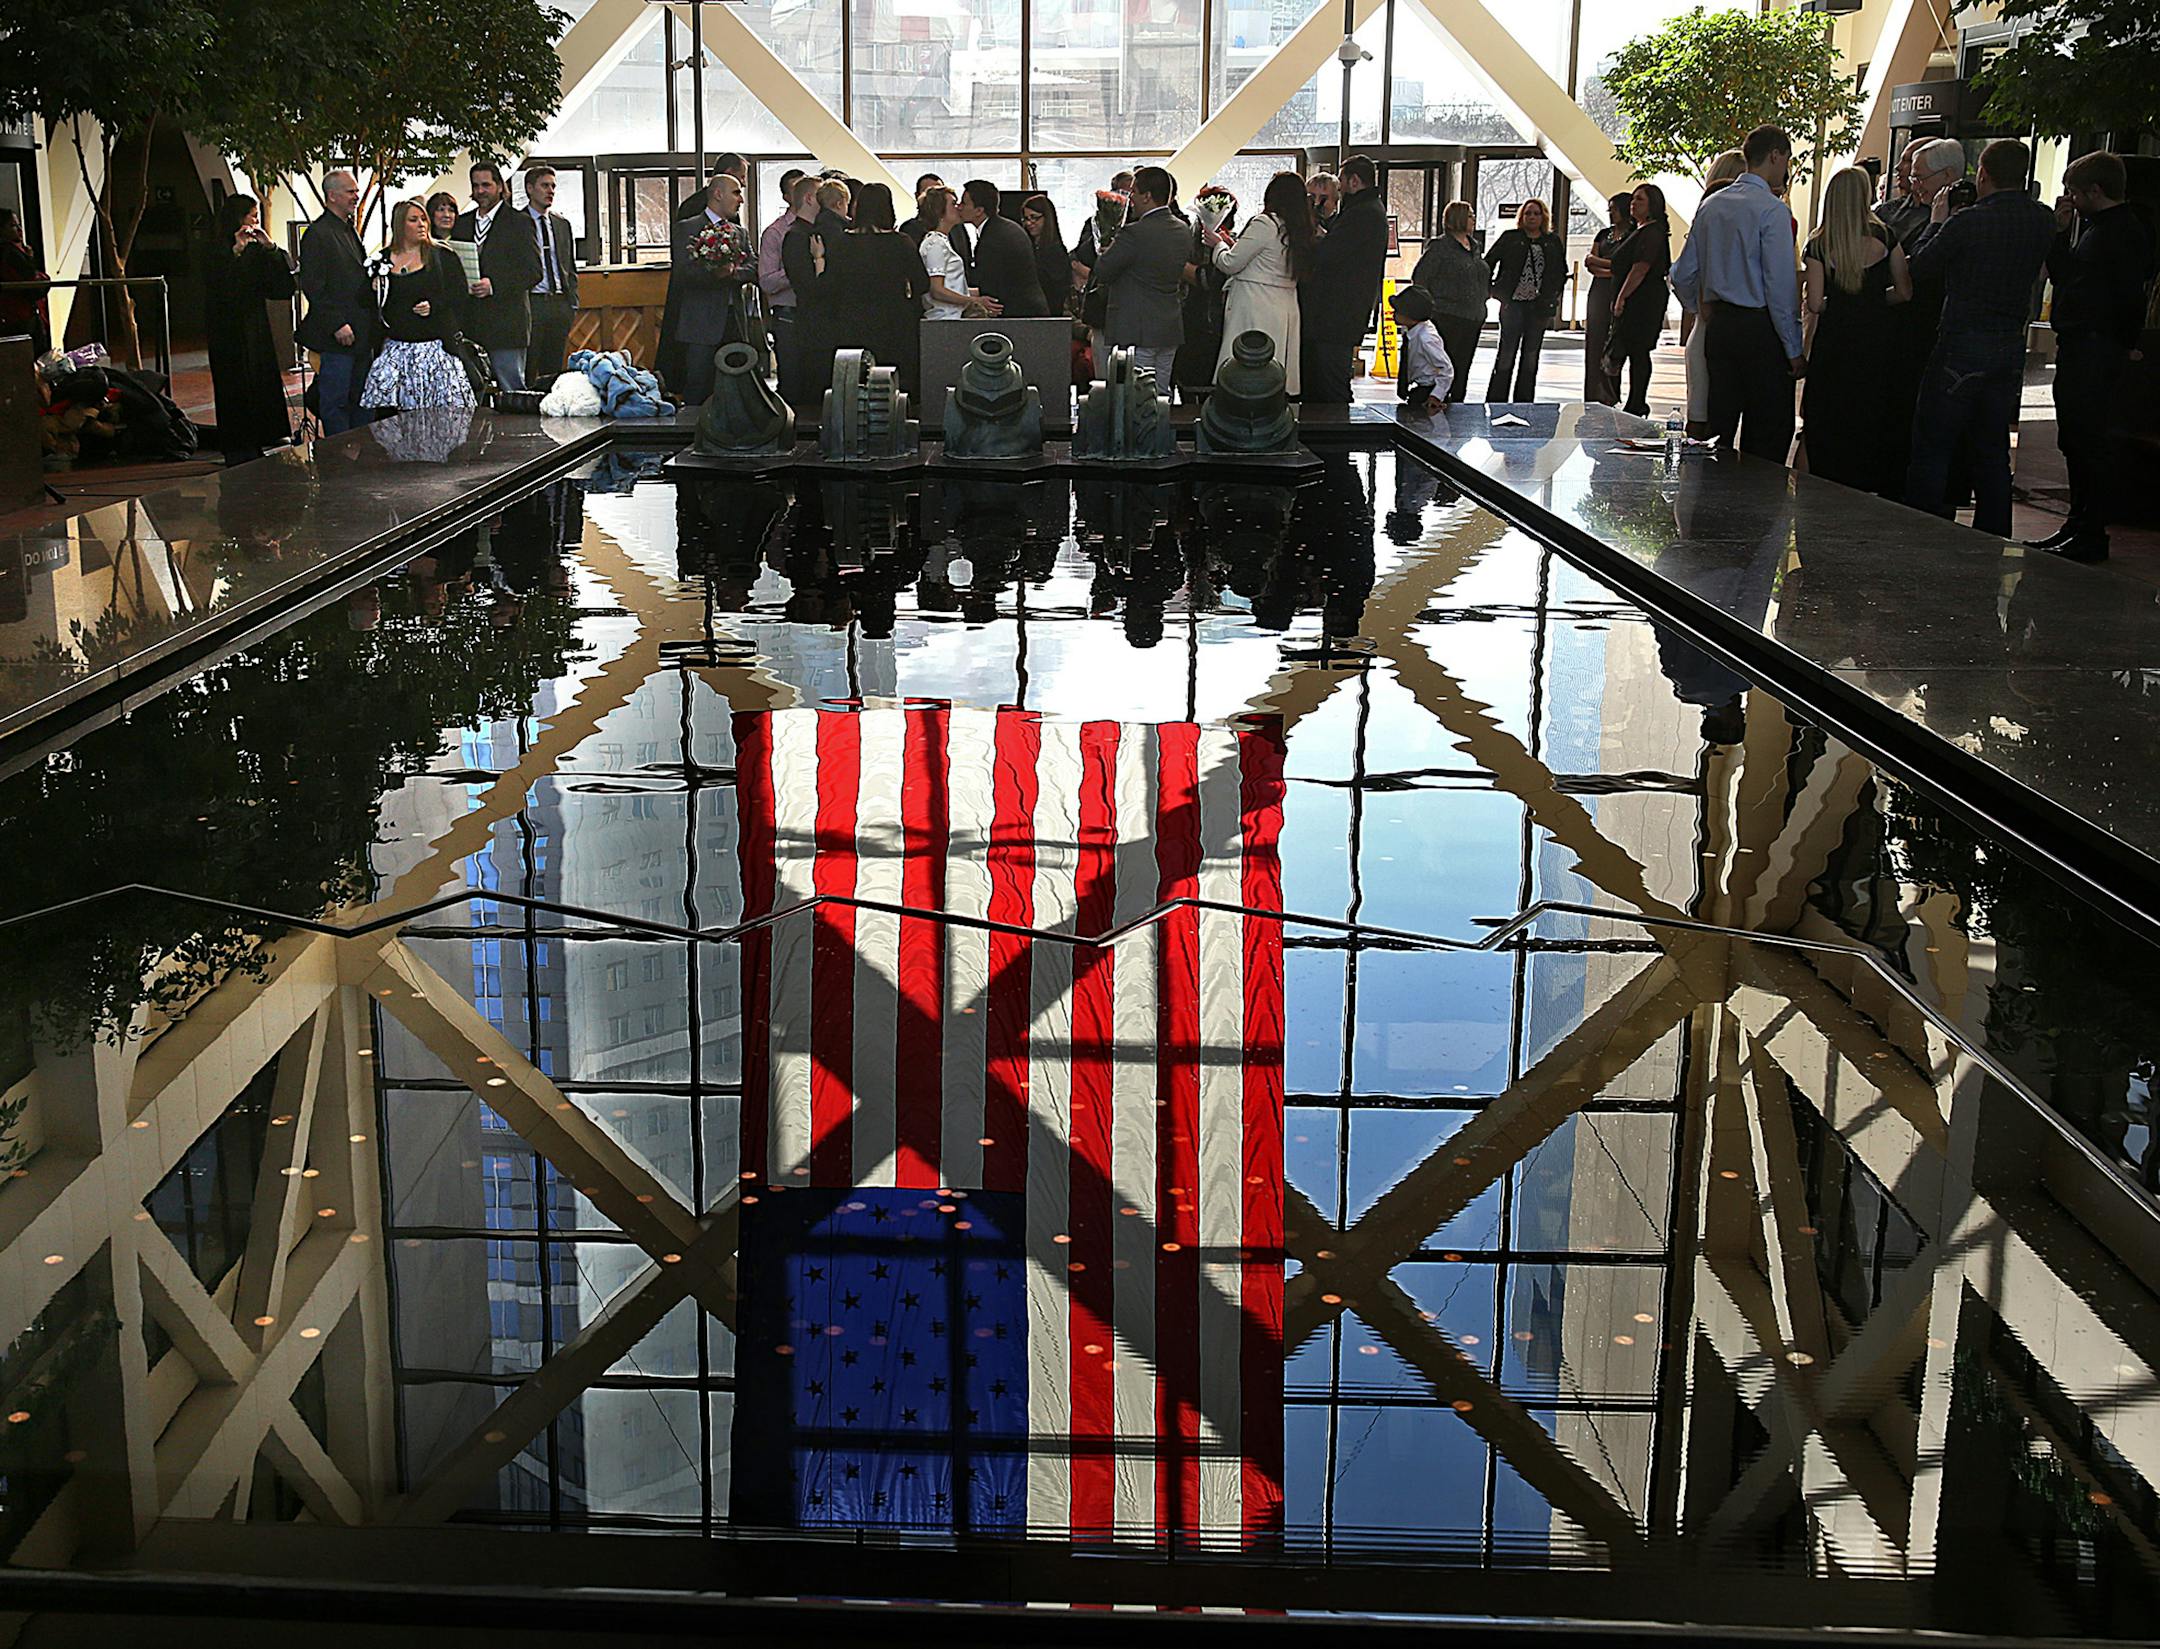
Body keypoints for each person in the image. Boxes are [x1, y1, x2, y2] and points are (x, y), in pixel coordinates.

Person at [1902, 138, 2058, 537]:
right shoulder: (2040, 219)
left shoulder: (1968, 222)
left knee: (1934, 441)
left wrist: (1937, 221)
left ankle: (1922, 528)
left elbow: (1921, 267)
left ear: (1983, 175)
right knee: (1992, 449)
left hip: (1961, 341)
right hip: (2009, 345)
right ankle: (1994, 535)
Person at [2030, 150, 2158, 562]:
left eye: (2074, 192)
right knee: (2075, 438)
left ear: (2094, 191)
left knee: (2086, 440)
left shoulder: (2117, 234)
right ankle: (2079, 522)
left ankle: (2089, 527)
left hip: (2095, 348)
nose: (2069, 199)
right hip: (2090, 345)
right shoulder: (2105, 230)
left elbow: (2113, 295)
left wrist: (2121, 341)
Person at [1671, 126, 1805, 461]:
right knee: (1767, 434)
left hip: (1721, 326)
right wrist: (1793, 349)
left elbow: (1682, 273)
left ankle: (1714, 505)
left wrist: (1701, 308)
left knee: (1719, 429)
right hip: (1761, 330)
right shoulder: (1772, 210)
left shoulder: (1712, 205)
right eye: (1786, 159)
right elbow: (1779, 287)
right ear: (1775, 155)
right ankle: (1755, 510)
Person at [1800, 165, 1912, 492]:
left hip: (1835, 343)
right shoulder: (1886, 237)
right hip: (1877, 341)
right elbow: (1905, 291)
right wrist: (1874, 302)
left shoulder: (1819, 244)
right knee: (1869, 414)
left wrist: (1843, 305)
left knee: (1828, 417)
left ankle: (1825, 485)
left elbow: (1816, 303)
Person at [202, 193, 296, 460]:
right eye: (251, 216)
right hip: (226, 328)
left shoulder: (258, 248)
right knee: (234, 384)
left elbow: (282, 288)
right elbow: (216, 286)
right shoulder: (215, 247)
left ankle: (268, 434)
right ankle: (238, 445)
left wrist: (271, 249)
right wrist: (235, 252)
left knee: (261, 378)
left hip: (255, 324)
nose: (255, 221)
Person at [811, 182, 928, 394]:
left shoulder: (842, 242)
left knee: (856, 385)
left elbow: (827, 286)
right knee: (893, 385)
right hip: (895, 323)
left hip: (852, 322)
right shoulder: (901, 242)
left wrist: (818, 258)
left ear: (859, 207)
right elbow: (922, 283)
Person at [359, 199, 474, 413]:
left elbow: (459, 295)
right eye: (414, 220)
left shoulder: (443, 256)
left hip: (436, 347)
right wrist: (374, 289)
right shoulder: (381, 260)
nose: (422, 224)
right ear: (400, 225)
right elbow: (366, 304)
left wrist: (434, 306)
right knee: (391, 417)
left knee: (440, 418)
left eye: (424, 219)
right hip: (396, 347)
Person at [1204, 172, 1313, 395]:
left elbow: (1230, 263)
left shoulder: (1265, 223)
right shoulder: (1299, 228)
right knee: (1274, 375)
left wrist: (1218, 245)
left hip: (1255, 306)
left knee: (1247, 374)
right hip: (1284, 306)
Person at [1300, 153, 1388, 404]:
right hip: (1343, 313)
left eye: (1341, 182)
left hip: (1337, 314)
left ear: (1354, 182)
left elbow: (1330, 254)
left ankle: (1335, 435)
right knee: (1328, 380)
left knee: (1332, 384)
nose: (1339, 188)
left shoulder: (1362, 214)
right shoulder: (1366, 211)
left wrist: (1316, 237)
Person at [1089, 164, 1188, 384]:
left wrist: (1107, 249)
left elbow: (1103, 271)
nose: (1129, 198)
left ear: (1147, 196)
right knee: (1161, 392)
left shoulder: (1134, 233)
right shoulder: (1182, 230)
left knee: (1137, 396)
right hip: (1169, 325)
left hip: (1137, 328)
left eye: (1133, 191)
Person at [296, 169, 375, 435]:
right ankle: (339, 461)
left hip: (361, 333)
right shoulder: (318, 235)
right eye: (351, 191)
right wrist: (337, 323)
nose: (357, 196)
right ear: (332, 196)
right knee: (336, 401)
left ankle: (363, 456)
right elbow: (314, 287)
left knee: (363, 399)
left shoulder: (348, 230)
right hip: (338, 337)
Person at [669, 172, 760, 405]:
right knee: (698, 385)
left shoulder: (740, 232)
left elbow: (753, 266)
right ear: (718, 194)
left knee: (739, 386)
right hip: (701, 323)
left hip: (735, 322)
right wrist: (715, 273)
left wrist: (733, 273)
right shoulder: (687, 228)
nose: (741, 200)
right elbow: (684, 273)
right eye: (736, 192)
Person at [451, 160, 540, 392]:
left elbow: (533, 271)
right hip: (470, 324)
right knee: (470, 390)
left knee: (511, 388)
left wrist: (495, 285)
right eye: (476, 185)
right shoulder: (462, 224)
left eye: (486, 185)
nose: (480, 191)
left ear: (500, 186)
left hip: (507, 324)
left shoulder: (519, 222)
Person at [1679, 149, 1746, 438]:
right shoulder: (1750, 219)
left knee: (1702, 416)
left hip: (1706, 325)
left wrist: (1696, 303)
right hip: (1726, 326)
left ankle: (1695, 481)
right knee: (1713, 420)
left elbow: (1682, 274)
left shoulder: (1706, 217)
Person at [1482, 197, 1567, 402]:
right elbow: (1488, 263)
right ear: (1522, 216)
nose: (1532, 217)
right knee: (1506, 353)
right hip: (1513, 304)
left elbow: (1559, 271)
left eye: (1536, 213)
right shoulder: (1511, 238)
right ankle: (1496, 400)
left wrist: (1552, 294)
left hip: (1539, 307)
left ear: (1543, 217)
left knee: (1530, 356)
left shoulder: (1551, 241)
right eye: (1528, 213)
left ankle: (1525, 402)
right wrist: (1493, 290)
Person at [1604, 184, 1672, 418]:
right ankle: (1632, 399)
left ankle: (1637, 401)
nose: (1633, 203)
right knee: (1632, 349)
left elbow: (1640, 268)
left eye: (1640, 200)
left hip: (1644, 299)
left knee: (1638, 349)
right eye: (1632, 199)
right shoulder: (1638, 229)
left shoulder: (1652, 232)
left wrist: (1622, 296)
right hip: (1636, 296)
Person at [783, 180, 851, 413]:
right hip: (815, 324)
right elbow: (807, 287)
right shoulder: (797, 236)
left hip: (822, 322)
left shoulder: (813, 232)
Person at [1410, 201, 1485, 405]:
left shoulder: (1474, 247)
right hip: (1448, 314)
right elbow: (1421, 277)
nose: (1473, 219)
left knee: (1463, 364)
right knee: (1446, 363)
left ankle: (1457, 401)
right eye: (1469, 215)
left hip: (1473, 315)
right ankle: (1439, 399)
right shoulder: (1441, 247)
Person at [1174, 183, 1237, 397]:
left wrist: (1182, 268)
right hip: (1204, 318)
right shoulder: (1201, 241)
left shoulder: (1225, 244)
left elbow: (1210, 279)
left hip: (1204, 318)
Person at [761, 172, 816, 404]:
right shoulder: (775, 233)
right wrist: (798, 271)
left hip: (815, 314)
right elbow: (767, 280)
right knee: (791, 379)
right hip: (788, 314)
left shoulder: (820, 227)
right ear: (787, 196)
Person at [955, 180, 1049, 318]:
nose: (959, 207)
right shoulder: (1005, 227)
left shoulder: (992, 240)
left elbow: (990, 290)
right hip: (1030, 309)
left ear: (979, 211)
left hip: (1020, 316)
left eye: (964, 203)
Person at [521, 166, 578, 391]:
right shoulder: (518, 222)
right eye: (545, 186)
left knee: (553, 367)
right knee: (529, 363)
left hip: (559, 302)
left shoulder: (561, 224)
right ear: (529, 188)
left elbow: (569, 264)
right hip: (532, 301)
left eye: (553, 186)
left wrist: (572, 302)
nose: (550, 191)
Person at [916, 187, 997, 323]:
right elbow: (937, 290)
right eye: (953, 204)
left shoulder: (941, 242)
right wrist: (974, 301)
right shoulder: (935, 244)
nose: (959, 207)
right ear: (940, 212)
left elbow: (951, 285)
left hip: (952, 317)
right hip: (944, 318)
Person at [1581, 192, 1632, 403]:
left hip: (1619, 292)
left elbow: (1626, 267)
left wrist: (1605, 265)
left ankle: (1610, 394)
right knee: (1594, 343)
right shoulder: (1603, 235)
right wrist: (1610, 268)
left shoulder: (1632, 236)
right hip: (1599, 293)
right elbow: (1590, 262)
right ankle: (1592, 393)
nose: (1610, 213)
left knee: (1613, 345)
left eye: (1614, 209)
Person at [1390, 285, 1453, 413]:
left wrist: (1436, 395)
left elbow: (1446, 368)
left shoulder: (1427, 338)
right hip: (1419, 388)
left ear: (1411, 316)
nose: (1393, 314)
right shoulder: (1411, 329)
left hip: (1428, 390)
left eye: (1398, 311)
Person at [0, 209, 49, 351]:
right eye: (13, 225)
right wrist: (45, 280)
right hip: (21, 317)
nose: (20, 230)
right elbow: (33, 287)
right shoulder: (10, 253)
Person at [1021, 194, 1073, 318]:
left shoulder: (1055, 251)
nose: (1029, 223)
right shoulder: (1031, 247)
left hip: (1049, 315)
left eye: (1034, 217)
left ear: (1047, 218)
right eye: (1026, 218)